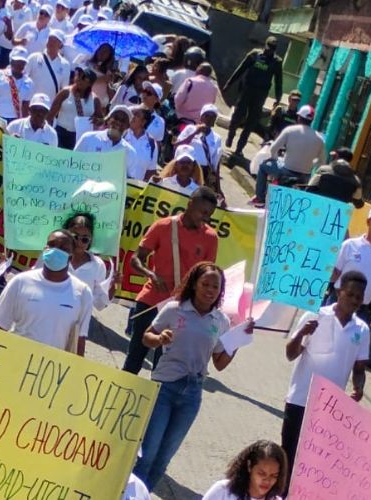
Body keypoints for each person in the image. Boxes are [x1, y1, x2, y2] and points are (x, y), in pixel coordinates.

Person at [132, 262, 253, 490]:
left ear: (220, 291)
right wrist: (159, 339)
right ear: (194, 284)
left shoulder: (221, 321)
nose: (209, 290)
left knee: (163, 459)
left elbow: (219, 363)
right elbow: (146, 336)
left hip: (192, 394)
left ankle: (143, 494)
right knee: (147, 454)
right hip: (164, 387)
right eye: (205, 284)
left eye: (215, 287)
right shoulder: (174, 309)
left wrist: (237, 341)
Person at [282, 270, 370, 484]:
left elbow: (359, 368)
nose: (354, 300)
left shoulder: (363, 330)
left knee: (313, 465)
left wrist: (359, 387)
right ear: (339, 292)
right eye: (350, 294)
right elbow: (290, 354)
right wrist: (302, 333)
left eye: (359, 297)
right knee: (287, 460)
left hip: (330, 409)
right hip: (299, 401)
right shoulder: (315, 316)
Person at [122, 187, 219, 374]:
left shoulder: (211, 238)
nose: (205, 217)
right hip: (151, 300)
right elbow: (136, 259)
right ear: (190, 204)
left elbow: (206, 274)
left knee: (163, 366)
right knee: (135, 357)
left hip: (181, 307)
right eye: (203, 211)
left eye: (210, 214)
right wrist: (150, 274)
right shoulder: (163, 226)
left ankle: (155, 403)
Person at [0, 230, 93, 355]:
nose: (55, 250)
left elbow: (80, 340)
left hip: (52, 368)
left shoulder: (83, 293)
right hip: (15, 359)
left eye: (63, 248)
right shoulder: (20, 281)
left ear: (70, 257)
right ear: (45, 249)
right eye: (52, 245)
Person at [250, 105, 325, 208]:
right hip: (304, 177)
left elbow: (273, 149)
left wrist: (275, 158)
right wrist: (311, 165)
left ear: (299, 118)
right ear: (311, 120)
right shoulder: (319, 139)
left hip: (285, 170)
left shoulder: (290, 130)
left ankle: (260, 198)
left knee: (263, 167)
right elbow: (322, 161)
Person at [331, 205, 371, 323]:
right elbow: (334, 275)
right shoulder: (349, 245)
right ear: (369, 222)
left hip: (362, 309)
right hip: (339, 303)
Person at [224, 36, 283, 157]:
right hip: (247, 90)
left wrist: (278, 98)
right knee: (238, 116)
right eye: (269, 47)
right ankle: (230, 135)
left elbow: (278, 82)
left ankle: (240, 147)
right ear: (265, 45)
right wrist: (229, 84)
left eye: (273, 49)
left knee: (251, 122)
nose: (270, 50)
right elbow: (240, 69)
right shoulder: (254, 54)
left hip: (260, 95)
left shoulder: (277, 62)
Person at [59, 212, 117, 310]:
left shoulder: (98, 265)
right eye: (75, 236)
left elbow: (100, 304)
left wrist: (112, 286)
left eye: (85, 239)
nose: (79, 242)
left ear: (90, 240)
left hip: (78, 323)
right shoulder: (52, 256)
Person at [202, 440, 288, 500]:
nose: (267, 481)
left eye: (274, 476)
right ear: (249, 466)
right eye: (261, 473)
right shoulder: (222, 490)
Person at [49, 66, 103, 149]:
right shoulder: (65, 92)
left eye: (84, 78)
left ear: (90, 83)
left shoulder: (95, 100)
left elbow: (101, 120)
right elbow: (50, 115)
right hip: (61, 133)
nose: (79, 79)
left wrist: (97, 121)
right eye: (78, 75)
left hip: (80, 138)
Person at [174, 103, 223, 195]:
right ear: (201, 117)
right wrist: (195, 133)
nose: (209, 119)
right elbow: (177, 145)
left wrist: (218, 188)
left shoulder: (217, 138)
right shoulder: (190, 129)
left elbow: (216, 163)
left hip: (203, 172)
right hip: (188, 168)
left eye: (213, 117)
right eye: (206, 115)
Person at [74, 105, 137, 174]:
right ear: (108, 120)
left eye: (123, 120)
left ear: (127, 126)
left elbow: (129, 180)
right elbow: (73, 164)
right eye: (116, 118)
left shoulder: (130, 152)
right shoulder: (88, 138)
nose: (118, 122)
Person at [0, 46, 33, 123]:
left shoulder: (29, 82)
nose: (20, 65)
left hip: (14, 120)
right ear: (11, 61)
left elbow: (25, 106)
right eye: (17, 61)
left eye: (22, 62)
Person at [26, 30, 71, 101]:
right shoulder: (34, 57)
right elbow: (23, 78)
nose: (51, 42)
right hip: (31, 102)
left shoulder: (65, 65)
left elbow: (63, 89)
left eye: (55, 41)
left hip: (50, 106)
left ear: (60, 45)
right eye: (50, 39)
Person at [123, 106, 159, 181]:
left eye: (137, 115)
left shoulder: (152, 143)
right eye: (132, 114)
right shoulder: (122, 135)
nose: (132, 117)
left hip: (135, 189)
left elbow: (151, 171)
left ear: (143, 122)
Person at [83, 43, 116, 110]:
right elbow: (83, 80)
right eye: (101, 49)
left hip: (100, 106)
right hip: (85, 101)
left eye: (106, 52)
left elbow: (112, 96)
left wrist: (109, 83)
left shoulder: (108, 73)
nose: (102, 53)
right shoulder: (87, 64)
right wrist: (101, 79)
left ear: (109, 56)